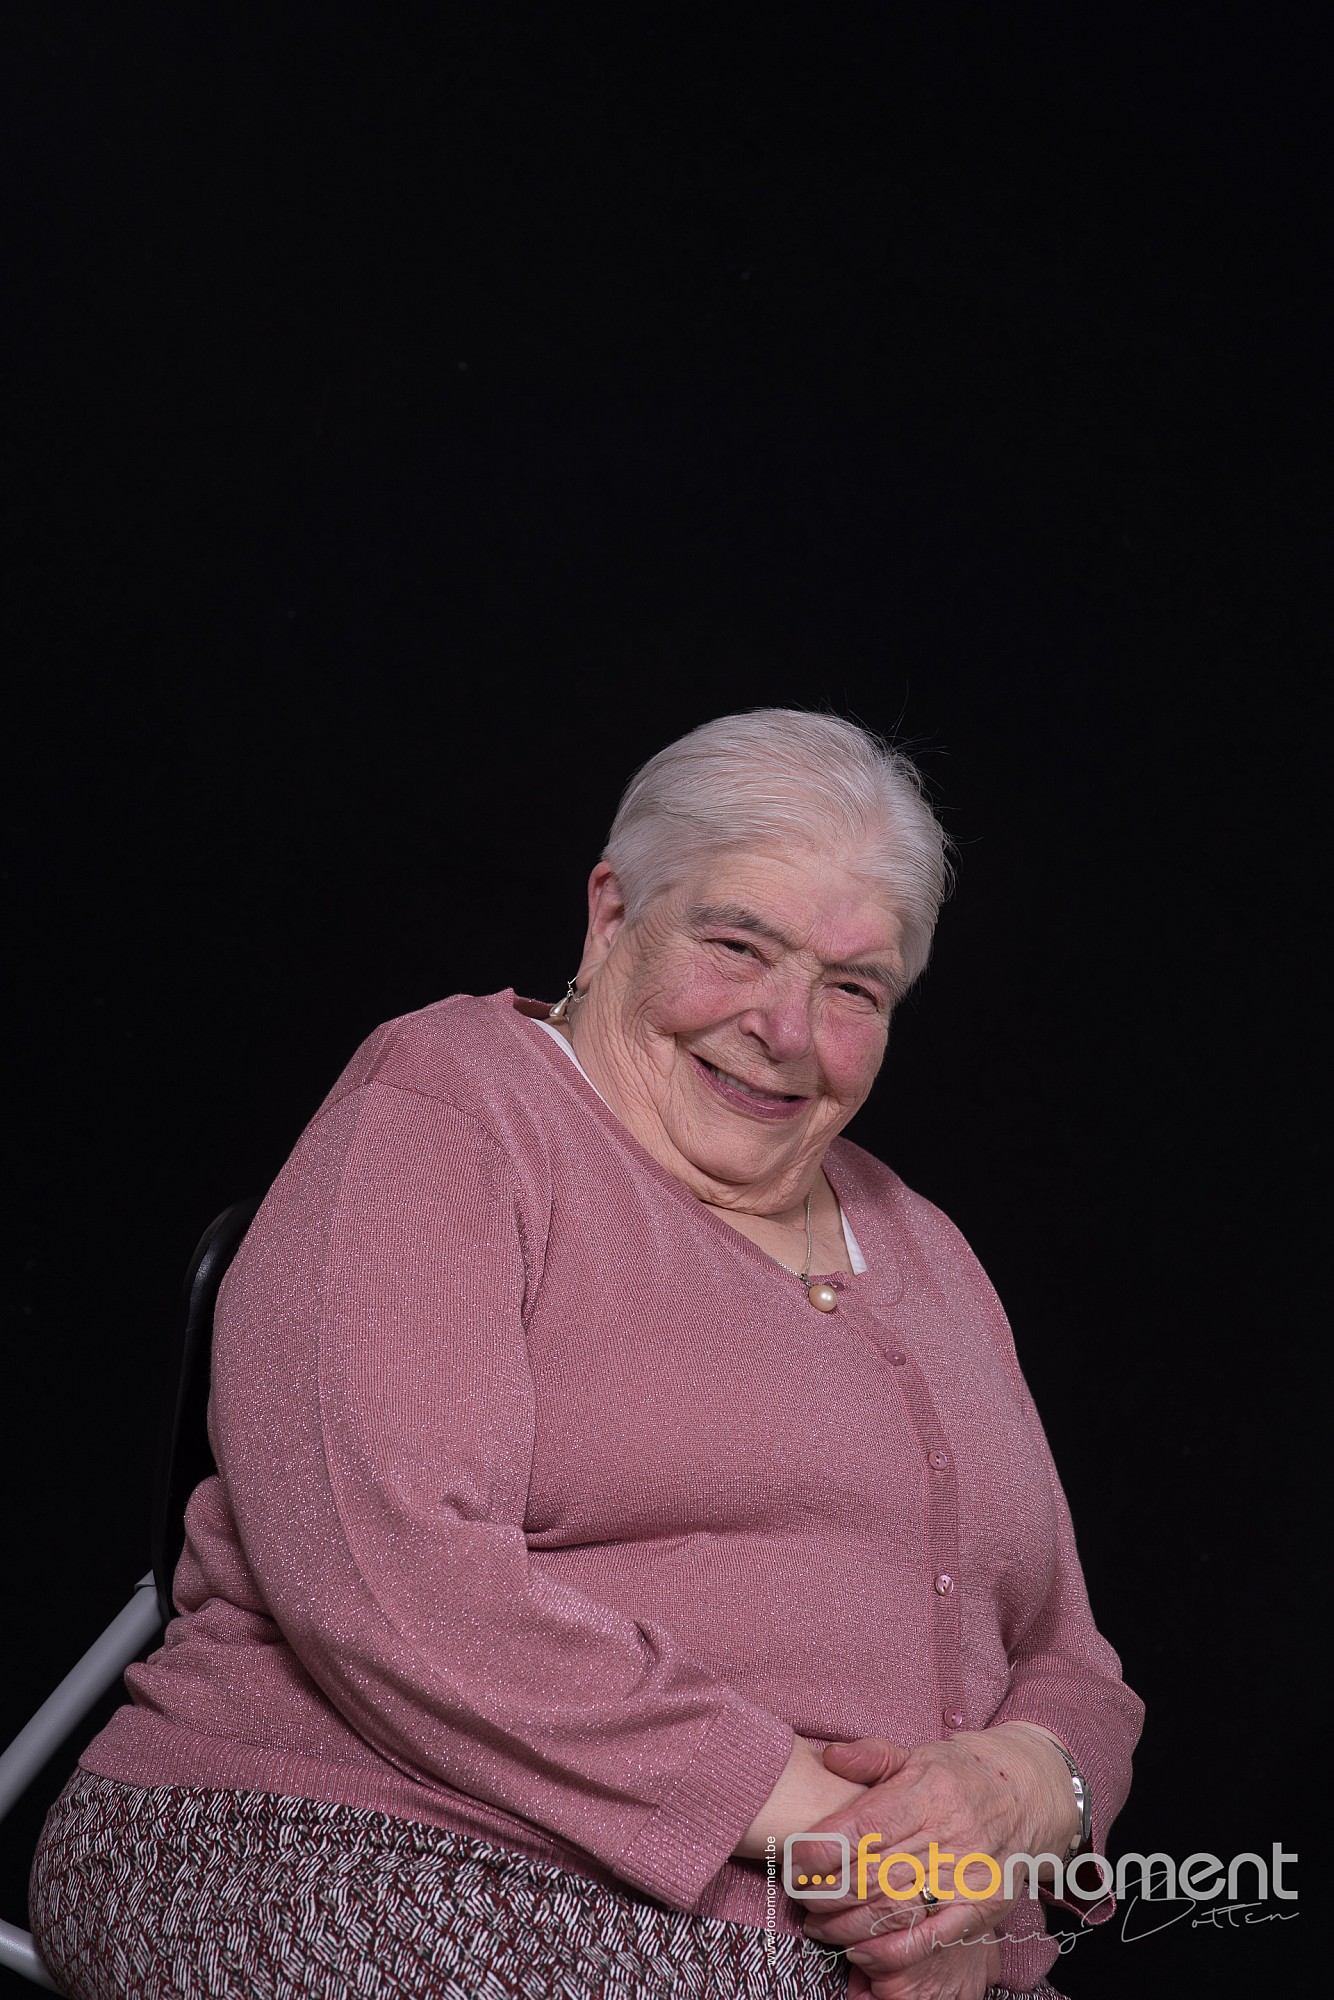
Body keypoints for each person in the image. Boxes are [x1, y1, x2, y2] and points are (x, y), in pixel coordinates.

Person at [30, 710, 1142, 2000]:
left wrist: (1029, 1790)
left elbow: (1070, 1653)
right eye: (738, 946)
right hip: (381, 1842)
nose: (788, 1027)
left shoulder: (926, 1246)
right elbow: (389, 1582)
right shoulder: (454, 1103)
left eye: (854, 988)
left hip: (860, 1936)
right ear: (614, 917)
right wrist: (879, 1855)